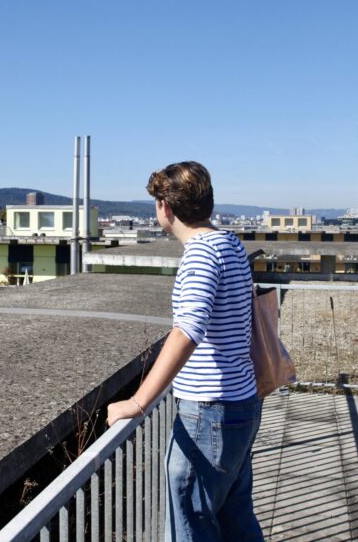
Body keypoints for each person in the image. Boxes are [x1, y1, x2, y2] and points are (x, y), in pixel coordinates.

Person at [107, 161, 264, 542]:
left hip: (210, 412)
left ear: (165, 206)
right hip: (243, 402)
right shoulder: (230, 243)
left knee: (189, 521)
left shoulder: (200, 254)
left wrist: (139, 402)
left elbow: (187, 331)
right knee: (236, 518)